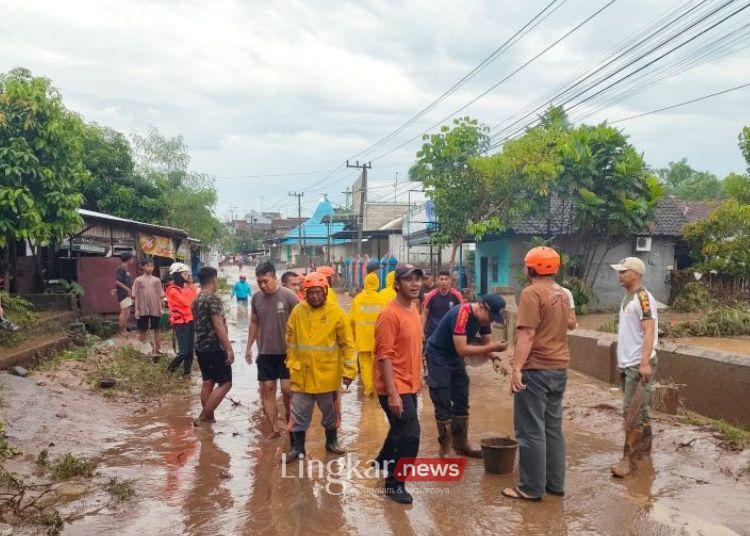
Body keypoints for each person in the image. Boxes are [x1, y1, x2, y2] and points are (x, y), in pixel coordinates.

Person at [503, 246, 570, 502]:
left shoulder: (532, 293)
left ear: (530, 268)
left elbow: (527, 334)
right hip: (559, 369)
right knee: (553, 428)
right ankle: (555, 484)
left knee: (530, 429)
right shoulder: (562, 294)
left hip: (537, 369)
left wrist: (517, 368)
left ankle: (530, 488)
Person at [284, 272, 356, 462]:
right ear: (305, 293)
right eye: (311, 293)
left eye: (318, 292)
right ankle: (297, 448)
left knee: (330, 412)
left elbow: (348, 345)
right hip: (302, 375)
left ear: (325, 292)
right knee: (298, 413)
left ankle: (331, 442)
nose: (314, 296)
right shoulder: (298, 312)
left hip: (327, 375)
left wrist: (349, 371)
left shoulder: (337, 313)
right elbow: (290, 340)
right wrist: (290, 362)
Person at [425, 295, 507, 458]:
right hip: (438, 355)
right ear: (482, 307)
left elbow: (485, 344)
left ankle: (461, 446)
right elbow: (463, 349)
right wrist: (494, 348)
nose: (490, 321)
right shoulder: (461, 314)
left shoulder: (484, 320)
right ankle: (445, 449)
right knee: (442, 400)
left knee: (462, 400)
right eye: (490, 317)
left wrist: (495, 358)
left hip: (455, 357)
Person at [373, 263, 424, 504]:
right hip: (394, 386)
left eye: (417, 279)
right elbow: (384, 356)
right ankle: (395, 484)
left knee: (400, 428)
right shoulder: (388, 315)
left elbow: (414, 347)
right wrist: (393, 394)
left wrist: (419, 376)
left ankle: (382, 461)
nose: (414, 283)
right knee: (411, 436)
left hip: (410, 384)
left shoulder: (414, 309)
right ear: (396, 284)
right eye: (408, 279)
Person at [609, 257, 658, 478]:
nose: (619, 275)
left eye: (623, 272)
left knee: (631, 414)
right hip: (629, 363)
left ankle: (629, 461)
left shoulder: (643, 298)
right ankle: (643, 453)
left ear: (636, 274)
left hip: (638, 364)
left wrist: (645, 363)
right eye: (619, 272)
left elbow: (649, 331)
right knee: (641, 411)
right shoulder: (628, 297)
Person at [246, 261, 299, 438]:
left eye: (265, 281)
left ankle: (289, 417)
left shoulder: (289, 296)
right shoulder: (256, 298)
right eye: (259, 282)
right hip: (265, 353)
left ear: (275, 277)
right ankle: (274, 428)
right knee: (267, 389)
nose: (262, 285)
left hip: (287, 352)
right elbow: (254, 322)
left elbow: (302, 322)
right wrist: (248, 347)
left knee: (287, 390)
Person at [192, 266, 234, 425]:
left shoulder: (196, 300)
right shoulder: (212, 298)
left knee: (208, 381)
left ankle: (209, 418)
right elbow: (218, 325)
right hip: (214, 346)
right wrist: (228, 347)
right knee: (226, 383)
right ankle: (204, 417)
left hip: (200, 346)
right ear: (214, 279)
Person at [349, 272, 384, 397]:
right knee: (378, 365)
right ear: (377, 284)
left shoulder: (357, 299)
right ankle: (377, 389)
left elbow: (351, 320)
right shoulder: (381, 299)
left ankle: (368, 389)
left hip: (362, 339)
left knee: (365, 365)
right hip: (378, 340)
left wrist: (352, 338)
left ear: (365, 283)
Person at [166, 263, 198, 376]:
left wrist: (191, 288)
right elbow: (187, 302)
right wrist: (192, 291)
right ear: (177, 275)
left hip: (190, 321)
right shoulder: (172, 290)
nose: (187, 277)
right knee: (183, 351)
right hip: (180, 323)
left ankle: (187, 373)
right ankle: (170, 370)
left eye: (187, 274)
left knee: (190, 351)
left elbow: (194, 298)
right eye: (184, 274)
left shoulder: (186, 287)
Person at [133, 258, 165, 354]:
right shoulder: (138, 280)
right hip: (142, 308)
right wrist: (136, 310)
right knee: (143, 329)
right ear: (143, 267)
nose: (150, 268)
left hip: (155, 308)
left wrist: (161, 308)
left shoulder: (157, 280)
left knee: (157, 328)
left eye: (152, 266)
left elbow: (160, 296)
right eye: (148, 266)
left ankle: (158, 348)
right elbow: (136, 296)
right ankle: (143, 350)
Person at [422, 270, 464, 340]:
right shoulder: (430, 296)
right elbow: (424, 314)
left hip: (450, 334)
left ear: (450, 280)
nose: (443, 282)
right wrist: (421, 332)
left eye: (446, 279)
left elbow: (462, 313)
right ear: (437, 281)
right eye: (441, 279)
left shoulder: (457, 295)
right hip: (433, 334)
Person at [115, 252, 134, 335]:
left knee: (128, 311)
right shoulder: (121, 269)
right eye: (132, 258)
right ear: (129, 259)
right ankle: (121, 330)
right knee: (124, 311)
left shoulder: (125, 269)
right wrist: (128, 289)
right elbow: (117, 281)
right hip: (123, 293)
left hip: (127, 293)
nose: (132, 259)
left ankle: (125, 329)